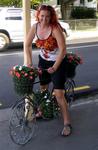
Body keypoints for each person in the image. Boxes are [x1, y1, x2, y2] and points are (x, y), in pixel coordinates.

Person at [24, 4, 72, 136]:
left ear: (51, 17)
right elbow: (27, 44)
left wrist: (55, 67)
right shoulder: (35, 27)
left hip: (58, 61)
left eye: (47, 16)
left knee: (59, 94)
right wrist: (29, 62)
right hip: (43, 61)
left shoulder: (55, 28)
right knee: (43, 89)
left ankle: (67, 123)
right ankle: (44, 110)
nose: (44, 19)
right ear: (38, 15)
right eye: (42, 16)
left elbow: (63, 50)